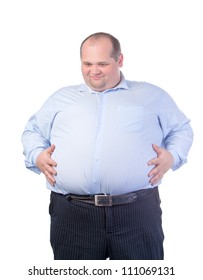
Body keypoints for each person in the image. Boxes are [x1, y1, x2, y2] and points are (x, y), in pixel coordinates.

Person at [21, 32, 193, 260]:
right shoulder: (60, 99)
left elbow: (181, 129)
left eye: (102, 63)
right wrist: (37, 156)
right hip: (73, 214)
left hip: (137, 212)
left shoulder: (151, 95)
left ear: (119, 60)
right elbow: (32, 131)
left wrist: (172, 156)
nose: (94, 71)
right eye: (87, 63)